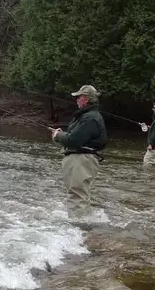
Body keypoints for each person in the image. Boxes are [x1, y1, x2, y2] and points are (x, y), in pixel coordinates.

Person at [50, 85, 108, 222]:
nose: (76, 99)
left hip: (81, 160)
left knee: (77, 195)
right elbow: (74, 137)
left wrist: (58, 136)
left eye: (79, 97)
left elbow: (74, 140)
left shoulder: (90, 118)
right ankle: (84, 227)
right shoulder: (87, 116)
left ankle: (79, 231)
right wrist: (60, 135)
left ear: (86, 99)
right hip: (81, 159)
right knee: (79, 194)